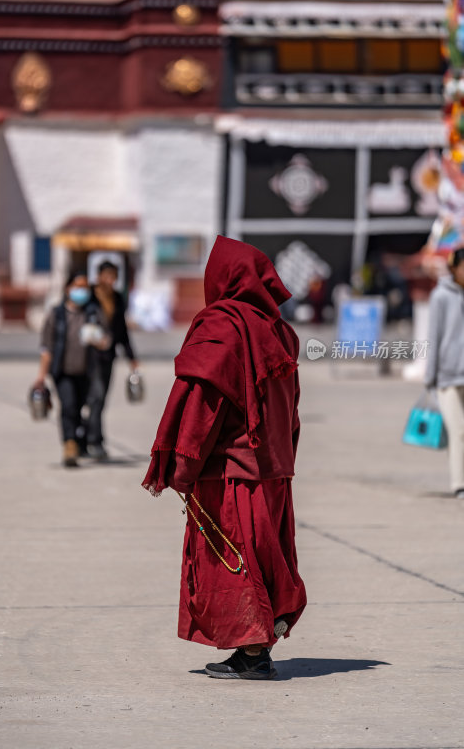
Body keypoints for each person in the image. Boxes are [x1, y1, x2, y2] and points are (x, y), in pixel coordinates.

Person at [142, 235, 307, 680]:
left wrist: (182, 465)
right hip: (273, 470)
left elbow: (201, 403)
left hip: (231, 470)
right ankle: (257, 647)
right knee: (262, 555)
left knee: (237, 559)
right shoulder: (279, 331)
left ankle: (253, 654)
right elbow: (292, 409)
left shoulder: (222, 326)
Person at [34, 270, 107, 468]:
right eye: (77, 286)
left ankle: (77, 440)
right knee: (67, 406)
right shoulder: (56, 314)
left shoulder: (93, 313)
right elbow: (46, 348)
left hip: (87, 372)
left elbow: (106, 341)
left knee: (79, 408)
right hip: (62, 371)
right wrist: (41, 377)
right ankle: (69, 445)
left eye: (85, 287)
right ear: (68, 288)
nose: (81, 291)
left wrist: (98, 340)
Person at [86, 260, 138, 460]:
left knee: (100, 399)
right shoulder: (89, 296)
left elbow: (121, 331)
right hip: (89, 357)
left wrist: (131, 357)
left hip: (108, 357)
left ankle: (91, 436)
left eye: (113, 277)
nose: (110, 281)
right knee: (95, 397)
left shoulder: (117, 298)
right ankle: (94, 441)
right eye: (107, 276)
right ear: (99, 276)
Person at [425, 246, 464, 498]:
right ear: (454, 268)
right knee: (458, 430)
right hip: (448, 376)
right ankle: (459, 483)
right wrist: (430, 378)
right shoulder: (441, 296)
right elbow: (434, 337)